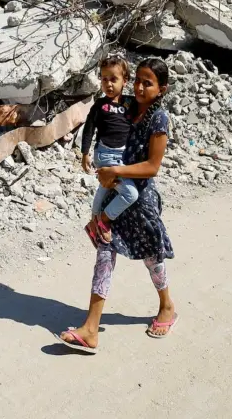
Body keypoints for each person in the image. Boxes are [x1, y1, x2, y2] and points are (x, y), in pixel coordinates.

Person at [57, 57, 177, 353]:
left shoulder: (159, 119)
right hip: (117, 193)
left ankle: (167, 306)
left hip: (142, 199)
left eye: (147, 83)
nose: (139, 87)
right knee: (104, 255)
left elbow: (152, 166)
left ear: (162, 89)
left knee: (151, 257)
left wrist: (115, 172)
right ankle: (91, 328)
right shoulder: (129, 108)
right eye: (137, 80)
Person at [81, 56, 136, 245]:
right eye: (104, 79)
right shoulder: (100, 105)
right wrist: (84, 153)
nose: (108, 84)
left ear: (125, 80)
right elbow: (89, 128)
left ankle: (92, 222)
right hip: (105, 155)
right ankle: (104, 220)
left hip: (123, 156)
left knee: (104, 188)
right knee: (130, 194)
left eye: (114, 79)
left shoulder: (129, 103)